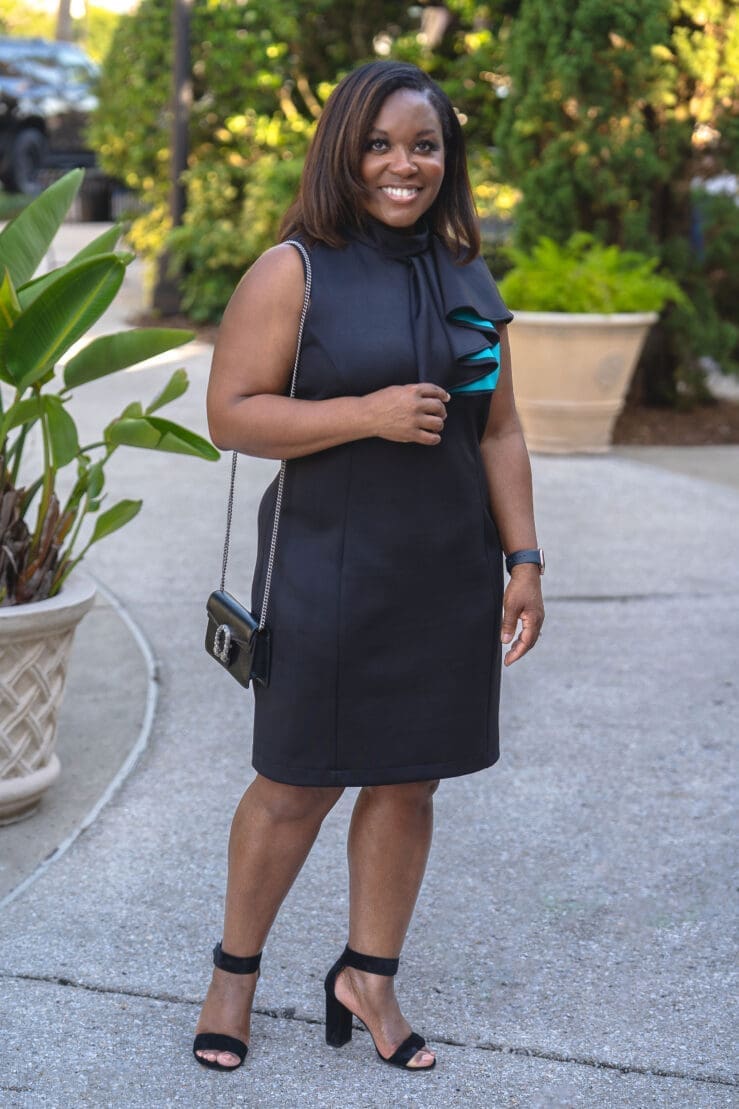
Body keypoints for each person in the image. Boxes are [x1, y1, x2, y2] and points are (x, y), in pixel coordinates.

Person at [194, 58, 544, 1074]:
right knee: (294, 780)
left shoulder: (470, 275)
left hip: (446, 567)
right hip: (325, 563)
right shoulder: (293, 269)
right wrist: (366, 413)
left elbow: (500, 430)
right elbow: (231, 413)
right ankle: (233, 974)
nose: (404, 165)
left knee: (408, 778)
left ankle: (368, 974)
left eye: (424, 145)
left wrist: (522, 557)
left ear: (449, 158)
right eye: (381, 144)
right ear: (343, 152)